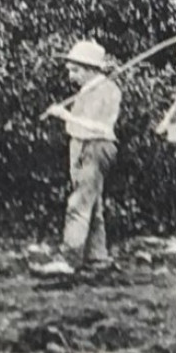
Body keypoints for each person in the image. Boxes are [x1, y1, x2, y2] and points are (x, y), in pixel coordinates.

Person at [34, 39, 122, 275]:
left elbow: (99, 126)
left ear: (91, 69)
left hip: (95, 145)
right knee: (91, 204)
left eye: (75, 70)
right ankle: (97, 258)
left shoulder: (108, 90)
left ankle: (69, 260)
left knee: (79, 203)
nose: (71, 75)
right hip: (82, 145)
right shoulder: (88, 90)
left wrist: (65, 115)